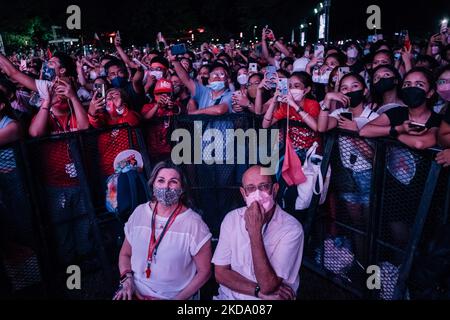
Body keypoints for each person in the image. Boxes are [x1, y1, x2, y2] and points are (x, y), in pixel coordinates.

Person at [114, 161, 212, 300]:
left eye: (173, 182)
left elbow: (205, 272)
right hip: (134, 291)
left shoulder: (194, 224)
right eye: (161, 180)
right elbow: (125, 254)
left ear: (182, 189)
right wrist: (127, 281)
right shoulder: (139, 213)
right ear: (153, 185)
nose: (166, 187)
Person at [213, 165, 303, 300]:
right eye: (251, 188)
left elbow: (268, 285)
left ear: (275, 189)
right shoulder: (231, 219)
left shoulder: (292, 229)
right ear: (244, 194)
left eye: (263, 186)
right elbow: (220, 273)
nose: (257, 195)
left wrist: (254, 232)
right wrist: (257, 291)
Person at [28, 75, 90, 266]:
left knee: (84, 223)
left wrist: (73, 97)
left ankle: (87, 262)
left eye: (63, 89)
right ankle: (70, 266)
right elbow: (35, 133)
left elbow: (85, 127)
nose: (59, 93)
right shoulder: (44, 115)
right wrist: (47, 99)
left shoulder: (74, 112)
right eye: (56, 89)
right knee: (62, 228)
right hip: (55, 184)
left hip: (80, 181)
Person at [360, 67, 441, 150]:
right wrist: (399, 129)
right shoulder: (396, 112)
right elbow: (364, 131)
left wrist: (393, 133)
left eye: (419, 84)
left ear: (430, 93)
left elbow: (419, 143)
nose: (412, 88)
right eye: (407, 84)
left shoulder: (437, 120)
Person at [88, 88, 141, 177]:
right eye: (108, 97)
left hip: (129, 169)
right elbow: (95, 123)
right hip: (107, 171)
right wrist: (92, 112)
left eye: (116, 95)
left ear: (124, 100)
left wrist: (120, 108)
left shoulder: (130, 114)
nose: (111, 96)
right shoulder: (103, 118)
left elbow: (134, 121)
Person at [141, 79, 184, 164]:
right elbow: (145, 117)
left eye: (167, 94)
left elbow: (183, 111)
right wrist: (157, 106)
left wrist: (173, 107)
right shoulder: (148, 106)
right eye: (159, 94)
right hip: (153, 151)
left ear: (171, 95)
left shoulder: (175, 105)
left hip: (173, 150)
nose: (163, 96)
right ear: (154, 95)